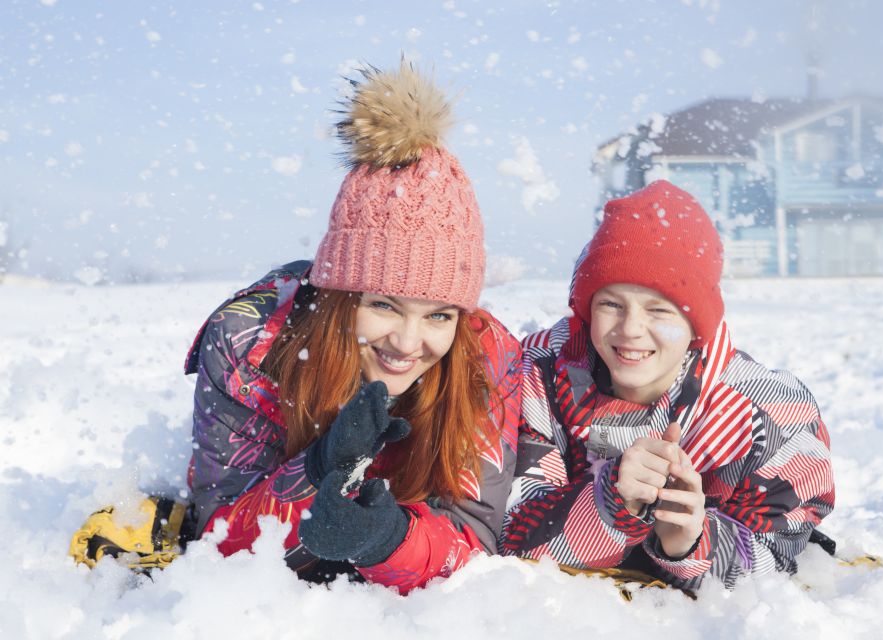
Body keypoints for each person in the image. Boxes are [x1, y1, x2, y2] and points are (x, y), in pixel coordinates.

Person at [183, 62, 521, 594]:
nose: (409, 344)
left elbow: (474, 537)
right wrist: (316, 469)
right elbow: (216, 538)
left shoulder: (484, 353)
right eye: (384, 305)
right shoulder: (250, 346)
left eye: (439, 314)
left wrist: (387, 541)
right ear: (341, 297)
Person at [499, 180, 834, 590]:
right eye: (611, 304)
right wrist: (612, 503)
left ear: (696, 325)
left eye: (659, 310)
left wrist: (689, 541)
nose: (631, 330)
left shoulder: (772, 412)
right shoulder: (537, 377)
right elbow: (505, 528)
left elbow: (785, 561)